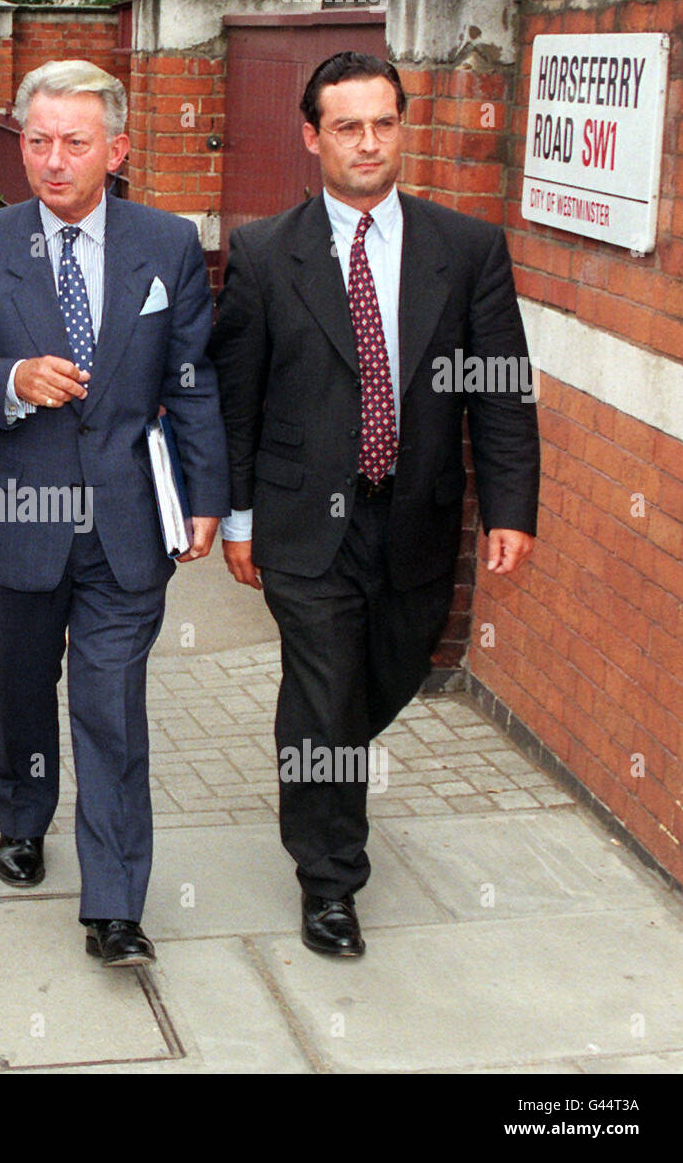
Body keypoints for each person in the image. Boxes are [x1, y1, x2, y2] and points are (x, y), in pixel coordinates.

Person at [208, 51, 540, 958]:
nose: (368, 143)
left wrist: (509, 507)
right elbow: (235, 398)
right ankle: (330, 879)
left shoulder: (465, 250)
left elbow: (501, 390)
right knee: (323, 689)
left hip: (416, 519)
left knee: (381, 675)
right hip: (302, 521)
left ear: (404, 127)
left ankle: (320, 761)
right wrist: (234, 516)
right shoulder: (268, 252)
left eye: (384, 123)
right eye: (348, 126)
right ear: (313, 137)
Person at [0, 60, 229, 967]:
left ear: (117, 149)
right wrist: (10, 380)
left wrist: (208, 496)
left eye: (74, 143)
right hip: (12, 518)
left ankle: (116, 905)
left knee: (111, 708)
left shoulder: (167, 245)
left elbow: (193, 380)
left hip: (127, 524)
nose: (52, 161)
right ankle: (21, 812)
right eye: (38, 142)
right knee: (20, 697)